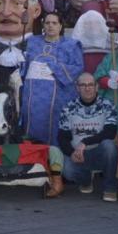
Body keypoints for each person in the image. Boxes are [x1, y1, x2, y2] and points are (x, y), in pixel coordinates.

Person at [22, 12, 84, 144]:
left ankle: (56, 155)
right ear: (43, 25)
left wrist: (53, 67)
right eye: (47, 23)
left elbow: (78, 68)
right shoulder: (32, 42)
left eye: (54, 23)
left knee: (56, 128)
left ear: (61, 26)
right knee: (32, 127)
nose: (50, 26)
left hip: (59, 94)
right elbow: (24, 63)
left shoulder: (71, 45)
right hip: (33, 96)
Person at [58, 72, 118, 201]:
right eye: (83, 85)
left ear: (96, 87)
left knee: (110, 146)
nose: (87, 88)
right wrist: (72, 152)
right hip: (78, 154)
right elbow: (62, 137)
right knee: (66, 169)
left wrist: (85, 142)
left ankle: (110, 188)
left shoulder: (107, 105)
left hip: (99, 152)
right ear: (77, 88)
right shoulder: (68, 108)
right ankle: (86, 180)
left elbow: (110, 132)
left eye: (91, 84)